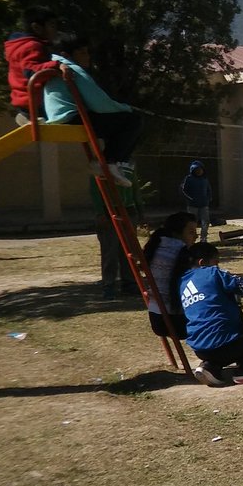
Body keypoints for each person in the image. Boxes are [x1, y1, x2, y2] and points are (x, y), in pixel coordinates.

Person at [43, 34, 141, 187]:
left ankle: (110, 162)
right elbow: (100, 103)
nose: (88, 57)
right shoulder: (72, 69)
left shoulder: (56, 65)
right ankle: (109, 161)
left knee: (118, 124)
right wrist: (125, 108)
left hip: (63, 116)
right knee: (132, 121)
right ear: (66, 54)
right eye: (83, 52)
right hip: (72, 118)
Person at [181, 242, 243, 386]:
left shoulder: (182, 283)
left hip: (200, 348)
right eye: (215, 262)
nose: (217, 265)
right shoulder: (212, 273)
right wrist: (233, 278)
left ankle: (211, 367)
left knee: (227, 316)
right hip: (225, 345)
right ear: (202, 263)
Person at [90, 162, 139, 300]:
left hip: (128, 211)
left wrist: (140, 210)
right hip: (108, 212)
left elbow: (135, 187)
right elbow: (95, 188)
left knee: (129, 250)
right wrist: (100, 212)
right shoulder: (100, 163)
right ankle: (109, 285)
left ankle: (129, 283)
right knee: (109, 251)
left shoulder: (129, 163)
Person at [143, 212, 197, 339]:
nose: (196, 236)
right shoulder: (183, 253)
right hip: (178, 322)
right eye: (191, 232)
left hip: (156, 318)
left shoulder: (156, 246)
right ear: (176, 233)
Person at [4, 6, 60, 123]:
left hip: (25, 101)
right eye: (52, 25)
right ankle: (29, 118)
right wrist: (56, 65)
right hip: (34, 103)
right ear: (37, 27)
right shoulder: (32, 46)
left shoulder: (20, 45)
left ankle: (26, 116)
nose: (56, 29)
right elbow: (31, 71)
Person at [180, 161, 212, 243]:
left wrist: (208, 198)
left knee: (205, 221)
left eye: (200, 169)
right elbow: (183, 190)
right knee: (192, 223)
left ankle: (203, 239)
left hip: (204, 205)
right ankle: (191, 239)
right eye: (197, 170)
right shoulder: (189, 179)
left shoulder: (205, 179)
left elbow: (209, 190)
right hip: (192, 206)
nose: (199, 171)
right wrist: (190, 199)